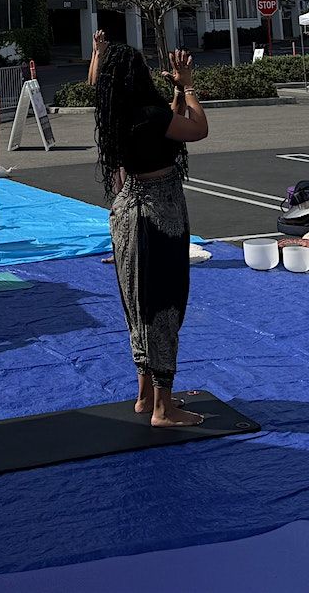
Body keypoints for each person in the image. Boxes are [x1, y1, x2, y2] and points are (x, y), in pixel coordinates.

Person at [89, 32, 208, 429]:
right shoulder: (149, 115)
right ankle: (163, 407)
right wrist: (188, 86)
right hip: (158, 213)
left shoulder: (116, 114)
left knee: (137, 305)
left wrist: (175, 93)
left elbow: (169, 126)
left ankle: (145, 395)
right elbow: (196, 129)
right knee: (163, 304)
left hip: (126, 213)